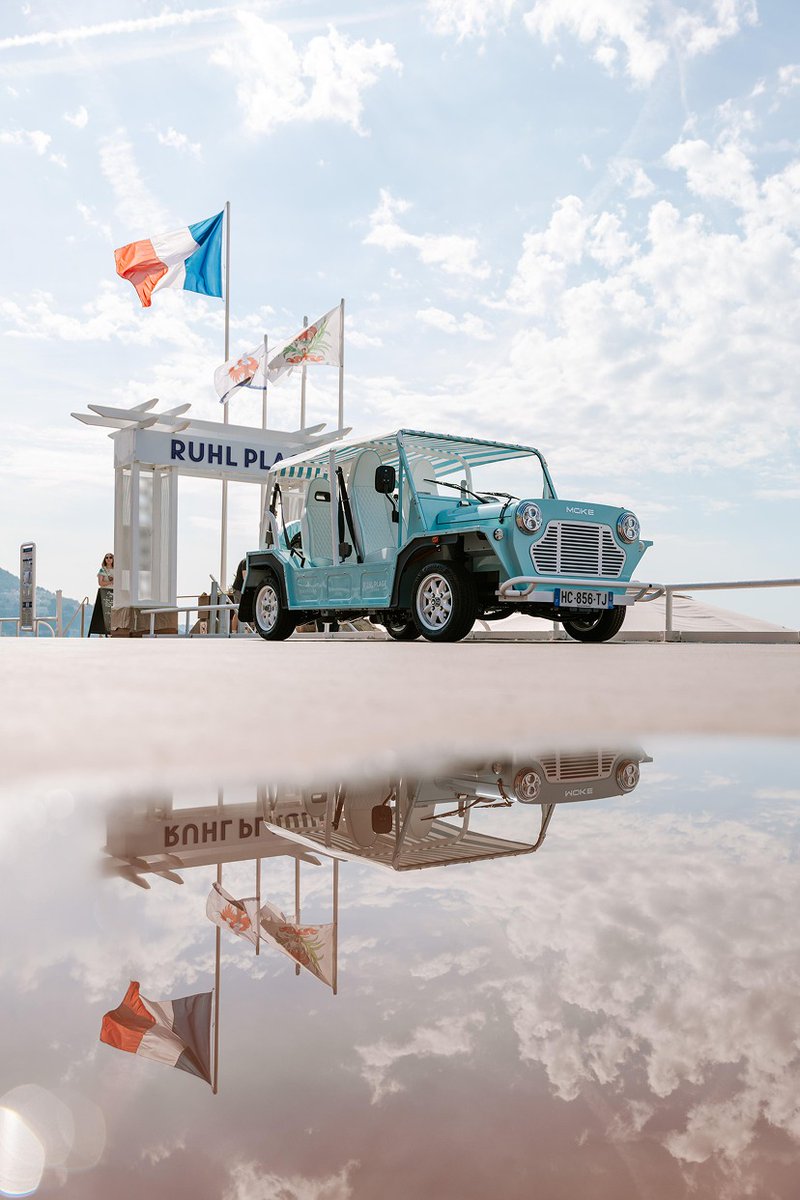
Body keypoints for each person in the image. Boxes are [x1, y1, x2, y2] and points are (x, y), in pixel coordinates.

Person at [88, 552, 114, 636]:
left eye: (110, 557)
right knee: (105, 612)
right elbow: (101, 583)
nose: (109, 559)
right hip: (105, 593)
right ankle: (103, 631)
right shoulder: (102, 570)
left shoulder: (117, 569)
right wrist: (111, 582)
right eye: (107, 557)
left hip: (115, 593)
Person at [230, 558, 246, 633]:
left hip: (243, 589)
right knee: (238, 610)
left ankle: (246, 630)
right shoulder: (245, 562)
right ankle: (234, 631)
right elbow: (245, 577)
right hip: (238, 589)